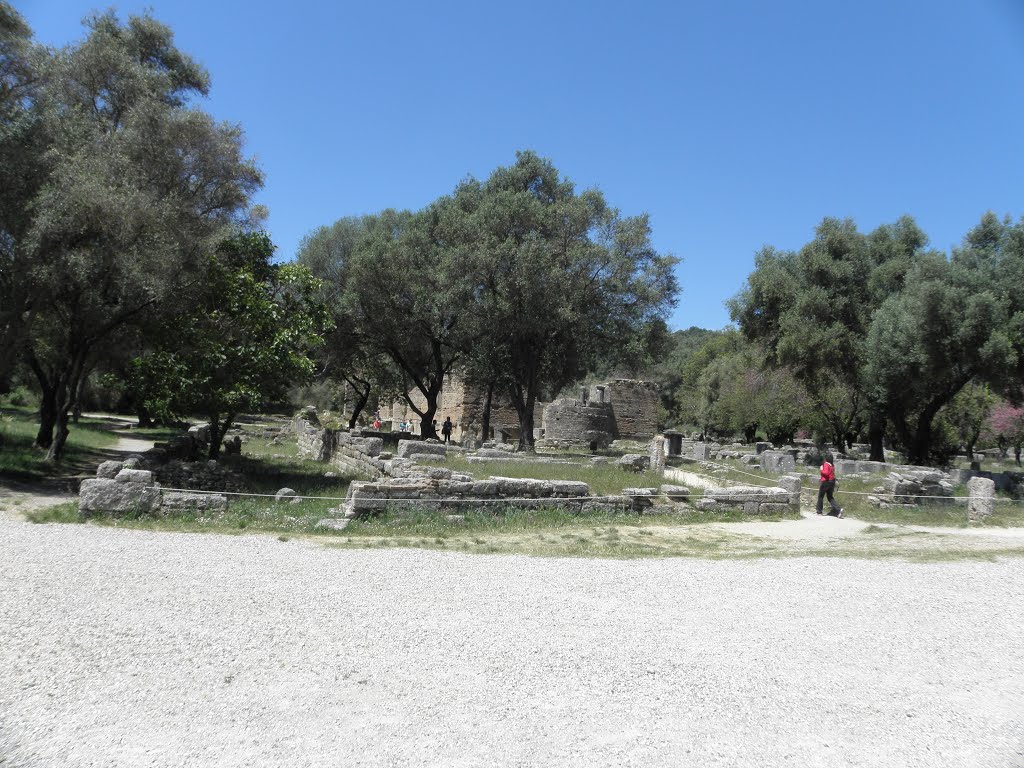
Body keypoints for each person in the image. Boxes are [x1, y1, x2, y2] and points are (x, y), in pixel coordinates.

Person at [816, 453, 843, 517]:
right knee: (830, 497)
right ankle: (838, 509)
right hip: (832, 482)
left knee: (820, 496)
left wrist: (821, 469)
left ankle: (819, 511)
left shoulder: (826, 464)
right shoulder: (832, 465)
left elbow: (826, 473)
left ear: (826, 458)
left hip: (826, 482)